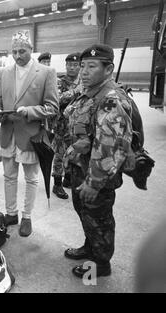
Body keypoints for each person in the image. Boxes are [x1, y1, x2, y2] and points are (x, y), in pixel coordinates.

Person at [63, 44, 132, 278]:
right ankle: (90, 247)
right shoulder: (90, 92)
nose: (83, 71)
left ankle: (99, 264)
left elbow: (110, 146)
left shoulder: (110, 99)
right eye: (82, 66)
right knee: (86, 215)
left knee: (99, 220)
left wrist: (94, 183)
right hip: (82, 168)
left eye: (91, 66)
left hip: (96, 176)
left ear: (108, 69)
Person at [0, 31, 58, 237]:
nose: (17, 55)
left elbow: (52, 107)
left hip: (30, 134)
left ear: (31, 50)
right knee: (9, 176)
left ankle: (27, 216)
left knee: (31, 178)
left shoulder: (46, 73)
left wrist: (30, 111)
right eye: (13, 51)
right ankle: (11, 213)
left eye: (21, 51)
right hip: (7, 131)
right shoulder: (4, 72)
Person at [51, 52, 82, 199]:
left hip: (79, 126)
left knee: (75, 152)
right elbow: (57, 99)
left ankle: (68, 179)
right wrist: (76, 91)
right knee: (59, 154)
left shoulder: (84, 81)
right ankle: (57, 184)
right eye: (69, 65)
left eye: (75, 65)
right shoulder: (59, 82)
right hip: (62, 125)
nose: (71, 68)